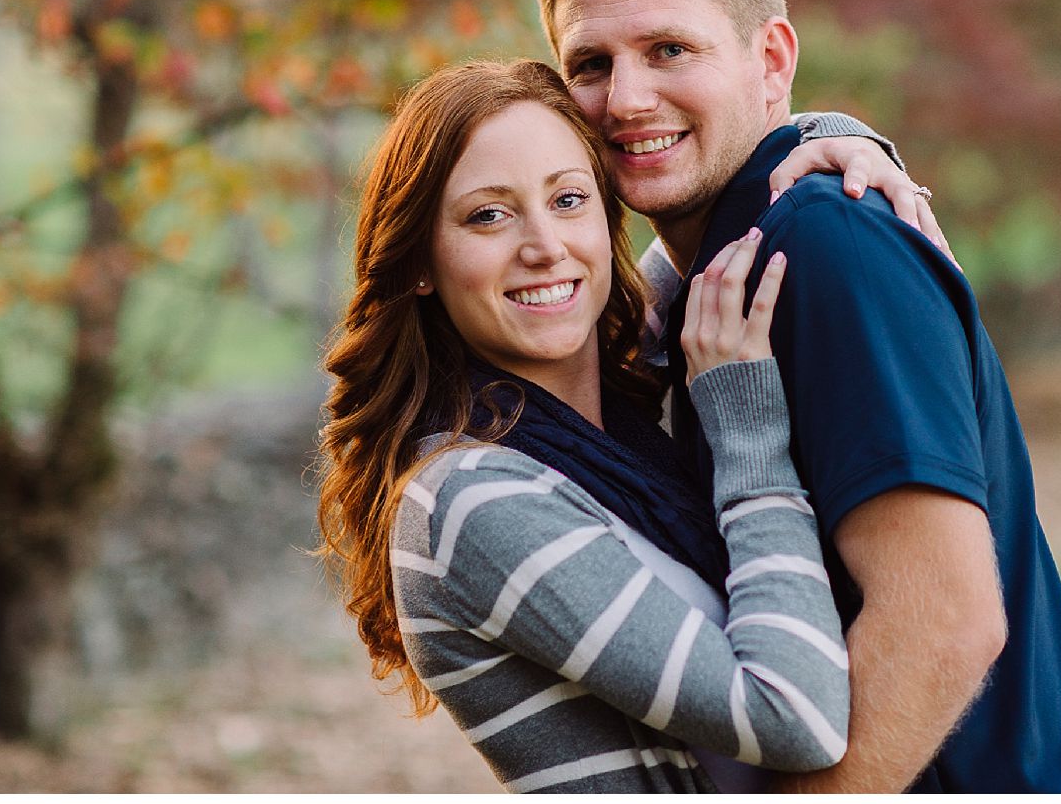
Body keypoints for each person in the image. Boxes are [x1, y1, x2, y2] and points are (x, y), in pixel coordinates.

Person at [530, 0, 1061, 792]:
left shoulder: (827, 243)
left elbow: (944, 620)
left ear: (770, 58)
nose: (625, 97)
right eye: (589, 64)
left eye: (670, 49)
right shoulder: (699, 290)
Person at [317, 59, 866, 792]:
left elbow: (714, 237)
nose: (545, 245)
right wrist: (750, 444)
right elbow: (792, 716)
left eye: (568, 199)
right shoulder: (469, 496)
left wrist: (839, 142)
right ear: (419, 260)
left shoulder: (599, 403)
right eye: (489, 214)